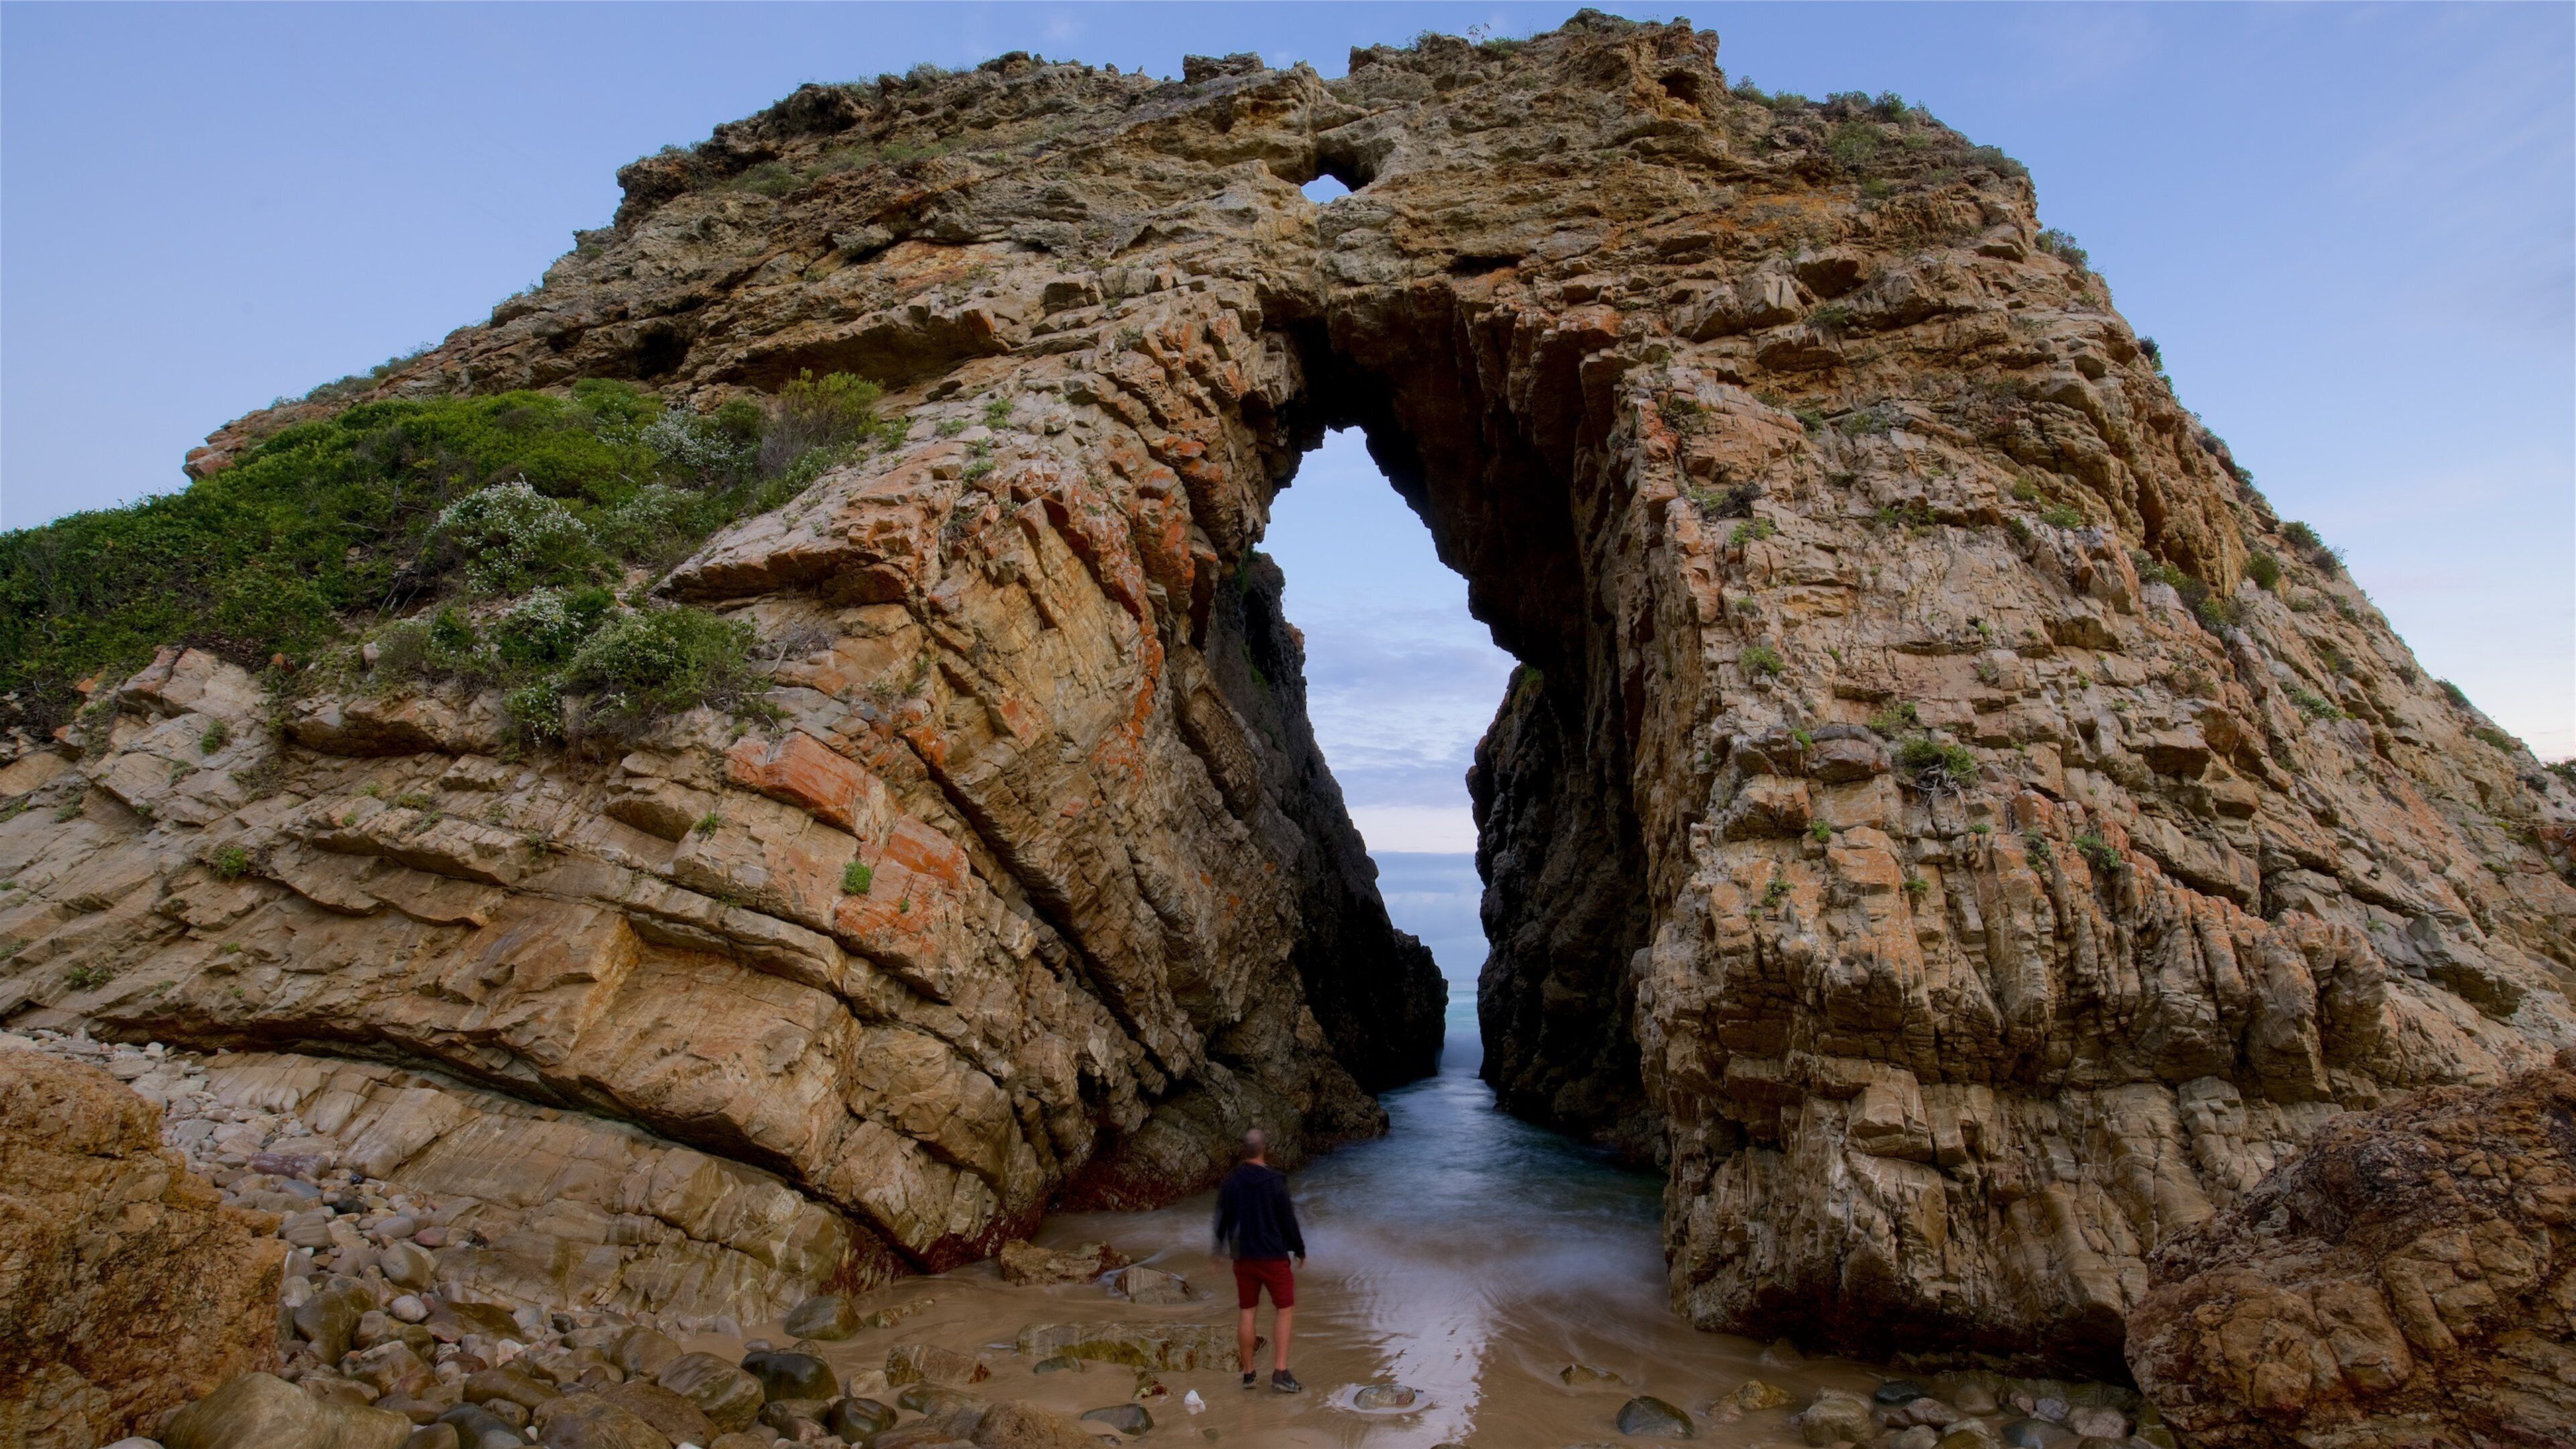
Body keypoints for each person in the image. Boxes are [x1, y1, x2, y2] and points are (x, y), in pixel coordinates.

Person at [1211, 1126, 1305, 1393]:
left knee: (1247, 1311)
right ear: (1264, 1149)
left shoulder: (1231, 1181)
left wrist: (1218, 1248)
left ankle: (1249, 1374)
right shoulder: (1275, 1181)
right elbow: (1288, 1219)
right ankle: (1280, 1372)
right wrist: (1299, 1249)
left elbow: (1223, 1218)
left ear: (1244, 1150)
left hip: (1244, 1258)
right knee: (1284, 1310)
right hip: (1273, 1256)